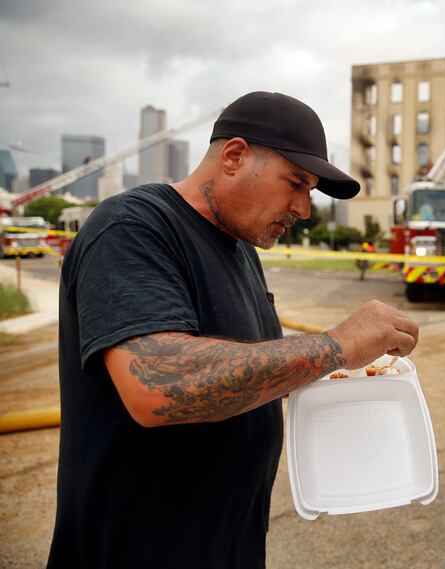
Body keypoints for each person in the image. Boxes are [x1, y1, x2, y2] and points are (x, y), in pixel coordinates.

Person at [46, 92, 419, 569]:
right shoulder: (131, 227)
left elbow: (242, 363)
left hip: (228, 543)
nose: (304, 208)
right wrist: (334, 346)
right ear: (234, 156)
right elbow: (159, 385)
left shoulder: (241, 248)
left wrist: (344, 376)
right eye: (297, 183)